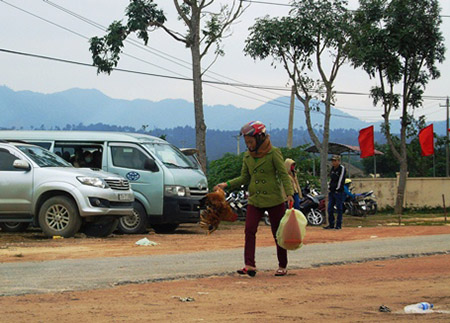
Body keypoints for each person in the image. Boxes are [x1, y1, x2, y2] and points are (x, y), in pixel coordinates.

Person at [214, 121, 294, 277]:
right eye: (246, 142)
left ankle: (282, 265)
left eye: (251, 142)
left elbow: (284, 175)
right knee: (249, 230)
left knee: (278, 233)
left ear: (260, 138)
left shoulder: (273, 153)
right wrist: (226, 184)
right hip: (255, 199)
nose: (249, 145)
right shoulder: (247, 156)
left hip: (274, 199)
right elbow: (244, 178)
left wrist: (290, 193)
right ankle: (249, 265)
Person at [324, 154, 347, 230]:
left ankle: (338, 225)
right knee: (330, 208)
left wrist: (337, 189)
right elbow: (331, 179)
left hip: (338, 192)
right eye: (332, 161)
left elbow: (341, 179)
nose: (333, 162)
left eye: (335, 161)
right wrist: (329, 187)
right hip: (332, 191)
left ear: (338, 161)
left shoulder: (341, 168)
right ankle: (331, 224)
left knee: (339, 208)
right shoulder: (332, 169)